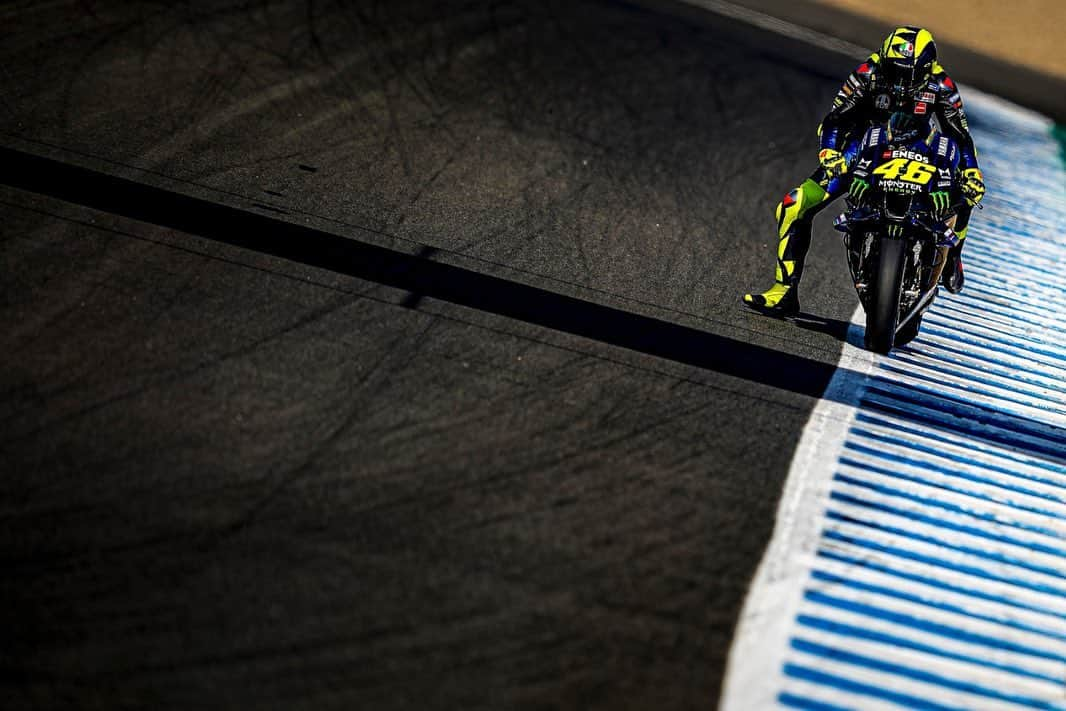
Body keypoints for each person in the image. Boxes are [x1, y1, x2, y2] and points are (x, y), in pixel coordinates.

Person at [742, 26, 985, 317]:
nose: (899, 81)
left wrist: (971, 171)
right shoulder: (867, 73)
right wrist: (830, 152)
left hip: (920, 152)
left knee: (966, 189)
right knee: (793, 205)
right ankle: (784, 291)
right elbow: (836, 119)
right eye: (893, 70)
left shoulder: (941, 84)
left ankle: (954, 255)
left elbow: (960, 136)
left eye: (907, 73)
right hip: (862, 151)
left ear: (925, 69)